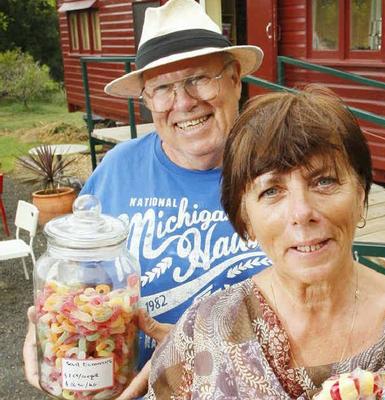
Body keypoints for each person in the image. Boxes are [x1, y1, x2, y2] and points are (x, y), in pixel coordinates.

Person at [146, 86, 385, 399]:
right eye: (272, 191)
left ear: (360, 196)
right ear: (244, 217)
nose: (302, 212)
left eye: (324, 181)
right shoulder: (206, 330)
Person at [22, 0, 268, 397]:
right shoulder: (119, 168)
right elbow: (80, 282)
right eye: (162, 89)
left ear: (235, 79)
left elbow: (325, 313)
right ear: (147, 100)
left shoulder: (281, 172)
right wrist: (50, 328)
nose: (183, 102)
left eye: (199, 79)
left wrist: (203, 348)